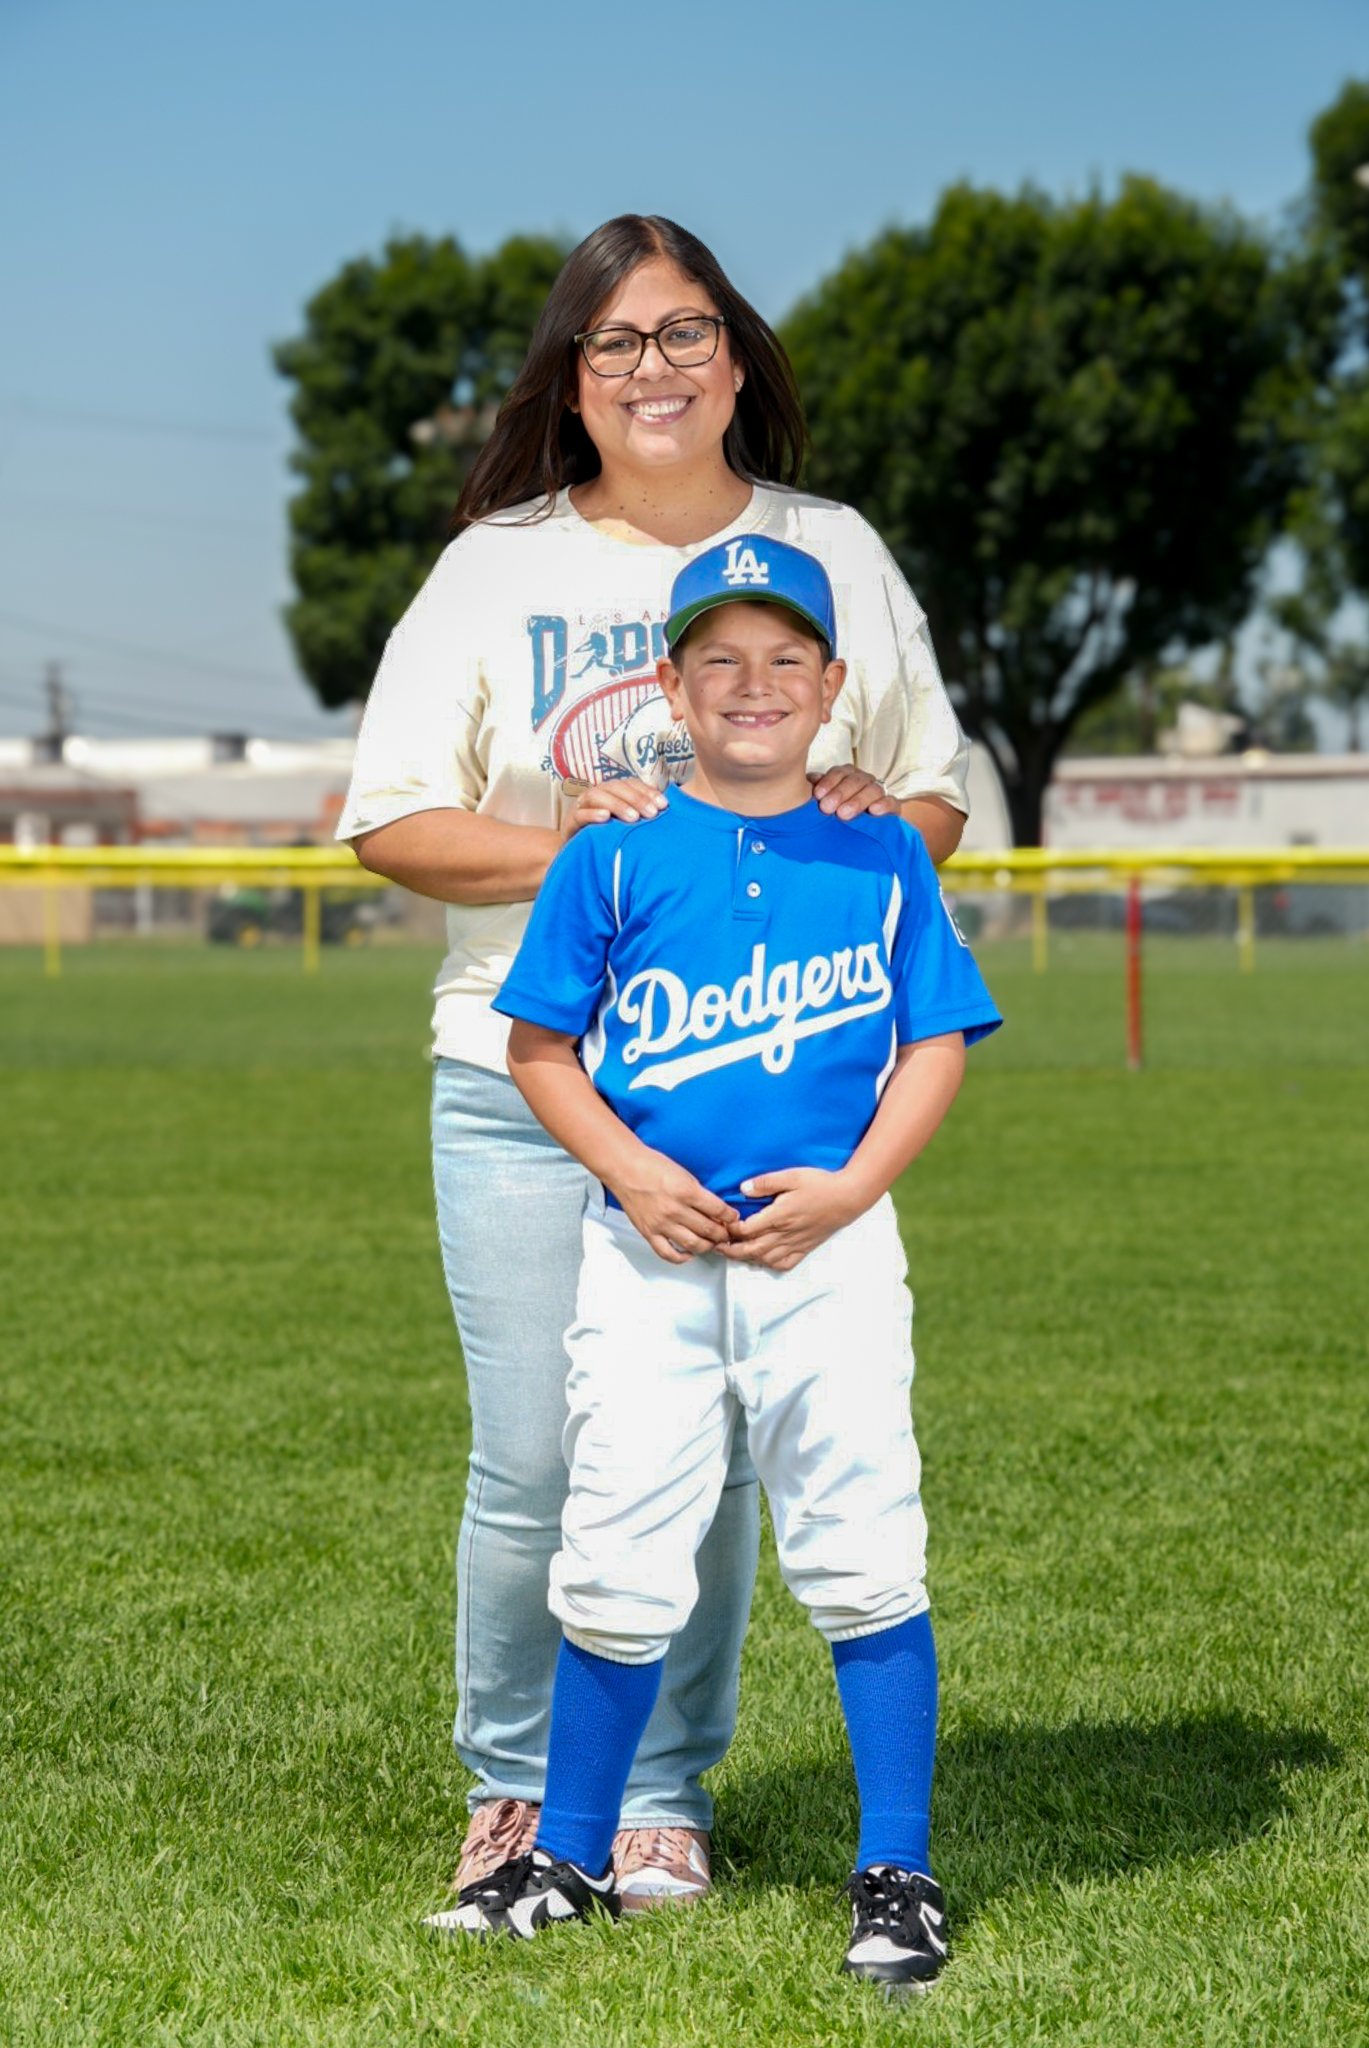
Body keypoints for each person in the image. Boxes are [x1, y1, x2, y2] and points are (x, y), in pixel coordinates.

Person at [339, 214, 972, 1908]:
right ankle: (513, 1790)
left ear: (739, 356)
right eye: (616, 343)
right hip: (526, 1081)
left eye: (686, 332)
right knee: (545, 1459)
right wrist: (598, 852)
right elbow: (389, 819)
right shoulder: (497, 564)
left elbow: (930, 793)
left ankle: (659, 1801)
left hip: (764, 1079)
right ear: (570, 376)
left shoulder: (823, 546)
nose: (655, 370)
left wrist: (857, 807)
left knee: (714, 1462)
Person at [429, 538, 1000, 1988]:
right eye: (719, 661)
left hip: (832, 1256)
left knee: (863, 1545)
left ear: (832, 688)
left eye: (783, 660)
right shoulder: (609, 848)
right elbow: (538, 1047)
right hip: (648, 1256)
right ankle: (565, 1852)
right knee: (614, 1542)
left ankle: (896, 1869)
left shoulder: (880, 848)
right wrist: (628, 1168)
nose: (753, 686)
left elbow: (936, 1038)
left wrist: (857, 1185)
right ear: (670, 689)